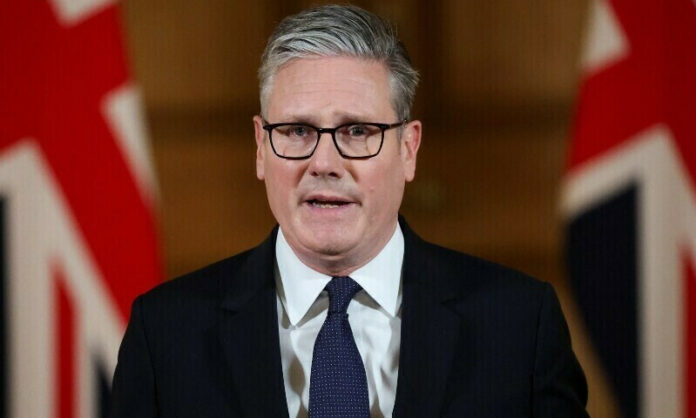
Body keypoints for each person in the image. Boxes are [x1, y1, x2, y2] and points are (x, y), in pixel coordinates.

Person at [110, 4, 588, 417]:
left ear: (408, 149)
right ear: (260, 146)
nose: (324, 163)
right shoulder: (166, 335)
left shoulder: (518, 325)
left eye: (358, 131)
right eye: (297, 131)